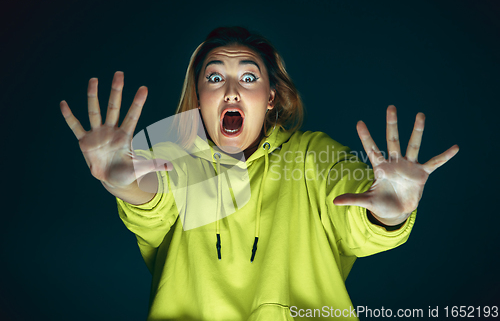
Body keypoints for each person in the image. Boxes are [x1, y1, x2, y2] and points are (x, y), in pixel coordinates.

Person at [60, 27, 459, 320]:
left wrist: (390, 211)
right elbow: (153, 195)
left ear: (270, 98)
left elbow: (356, 214)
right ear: (199, 98)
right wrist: (118, 179)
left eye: (248, 77)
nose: (231, 89)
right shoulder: (173, 156)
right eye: (214, 77)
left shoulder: (312, 154)